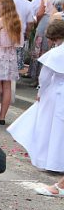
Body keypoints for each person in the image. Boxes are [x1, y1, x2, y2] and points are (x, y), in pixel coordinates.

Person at [9, 18, 64, 196]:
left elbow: (46, 76)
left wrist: (40, 91)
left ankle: (50, 160)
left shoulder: (56, 53)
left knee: (48, 126)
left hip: (55, 93)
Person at [0, 0, 22, 124]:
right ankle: (2, 117)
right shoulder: (17, 21)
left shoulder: (0, 21)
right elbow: (18, 42)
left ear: (5, 6)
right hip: (10, 55)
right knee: (7, 86)